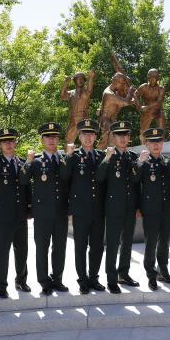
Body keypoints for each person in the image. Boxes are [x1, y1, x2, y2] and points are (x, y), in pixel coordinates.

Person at [19, 122, 69, 295]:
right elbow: (23, 180)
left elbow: (67, 178)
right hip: (42, 213)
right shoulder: (36, 160)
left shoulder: (64, 158)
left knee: (60, 247)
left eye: (54, 136)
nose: (52, 140)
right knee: (42, 248)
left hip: (61, 211)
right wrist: (28, 162)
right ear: (42, 140)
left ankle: (58, 279)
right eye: (48, 137)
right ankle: (44, 281)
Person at [0, 128, 31, 298]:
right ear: (0, 144)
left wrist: (29, 209)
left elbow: (27, 188)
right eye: (5, 142)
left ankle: (21, 280)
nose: (9, 144)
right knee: (2, 252)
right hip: (3, 215)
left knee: (22, 250)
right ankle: (1, 285)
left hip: (20, 214)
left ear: (15, 142)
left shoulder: (22, 162)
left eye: (11, 141)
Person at [61, 119, 107, 294]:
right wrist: (68, 155)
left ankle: (93, 278)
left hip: (98, 210)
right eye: (84, 134)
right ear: (79, 136)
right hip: (80, 211)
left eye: (91, 134)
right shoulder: (73, 156)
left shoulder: (102, 156)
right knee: (80, 247)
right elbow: (64, 176)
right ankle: (82, 280)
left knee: (97, 246)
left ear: (95, 136)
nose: (88, 137)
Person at [96, 121, 141, 293]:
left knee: (127, 243)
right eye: (119, 135)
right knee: (113, 245)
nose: (122, 138)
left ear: (129, 137)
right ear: (113, 137)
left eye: (125, 135)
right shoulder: (108, 156)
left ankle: (124, 273)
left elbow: (137, 184)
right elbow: (99, 177)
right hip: (114, 208)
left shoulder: (132, 157)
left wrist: (137, 207)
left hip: (130, 208)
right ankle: (111, 278)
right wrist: (107, 158)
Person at [136, 127, 170, 290]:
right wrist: (138, 207)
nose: (156, 145)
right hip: (150, 209)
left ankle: (163, 271)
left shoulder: (166, 161)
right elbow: (136, 185)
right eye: (152, 142)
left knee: (164, 243)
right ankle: (151, 274)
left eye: (158, 141)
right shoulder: (143, 162)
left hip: (166, 209)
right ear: (146, 144)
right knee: (151, 243)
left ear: (162, 143)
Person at [60, 70, 96, 145]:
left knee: (87, 140)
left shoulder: (86, 92)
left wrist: (91, 77)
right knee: (68, 140)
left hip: (84, 119)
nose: (80, 80)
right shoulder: (71, 93)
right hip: (73, 120)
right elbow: (62, 96)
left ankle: (88, 155)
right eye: (78, 79)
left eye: (82, 79)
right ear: (75, 81)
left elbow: (90, 89)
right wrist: (66, 83)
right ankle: (68, 155)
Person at [135, 69, 166, 140]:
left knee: (161, 119)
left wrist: (147, 107)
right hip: (147, 112)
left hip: (158, 110)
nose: (152, 79)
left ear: (157, 78)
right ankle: (143, 144)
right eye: (150, 77)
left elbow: (159, 101)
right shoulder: (143, 87)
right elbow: (135, 95)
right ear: (148, 78)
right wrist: (139, 106)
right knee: (143, 130)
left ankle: (162, 140)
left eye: (154, 77)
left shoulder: (161, 88)